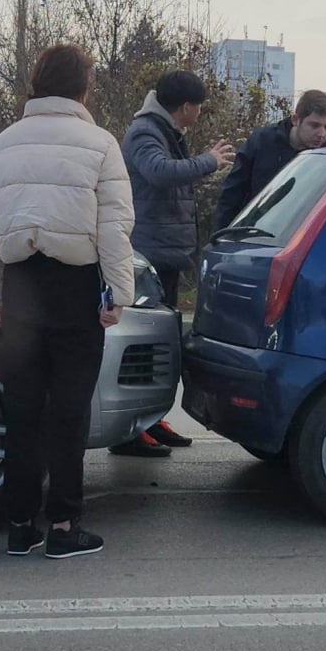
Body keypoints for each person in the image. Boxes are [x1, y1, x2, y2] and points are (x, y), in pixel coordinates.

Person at [0, 43, 135, 558]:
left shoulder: (2, 144)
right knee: (68, 412)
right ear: (84, 87)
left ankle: (20, 524)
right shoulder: (100, 143)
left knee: (21, 409)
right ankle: (64, 528)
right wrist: (118, 294)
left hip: (21, 283)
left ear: (36, 84)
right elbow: (113, 227)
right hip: (75, 287)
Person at [109, 69, 235, 457]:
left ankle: (149, 420)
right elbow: (159, 173)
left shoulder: (163, 129)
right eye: (199, 106)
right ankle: (129, 432)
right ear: (186, 107)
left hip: (163, 253)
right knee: (145, 346)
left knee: (160, 344)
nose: (199, 113)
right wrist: (209, 161)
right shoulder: (147, 132)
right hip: (147, 254)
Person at [214, 89, 326, 232]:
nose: (321, 134)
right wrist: (221, 236)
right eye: (314, 125)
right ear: (295, 120)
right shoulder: (262, 142)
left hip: (301, 237)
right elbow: (232, 194)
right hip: (253, 233)